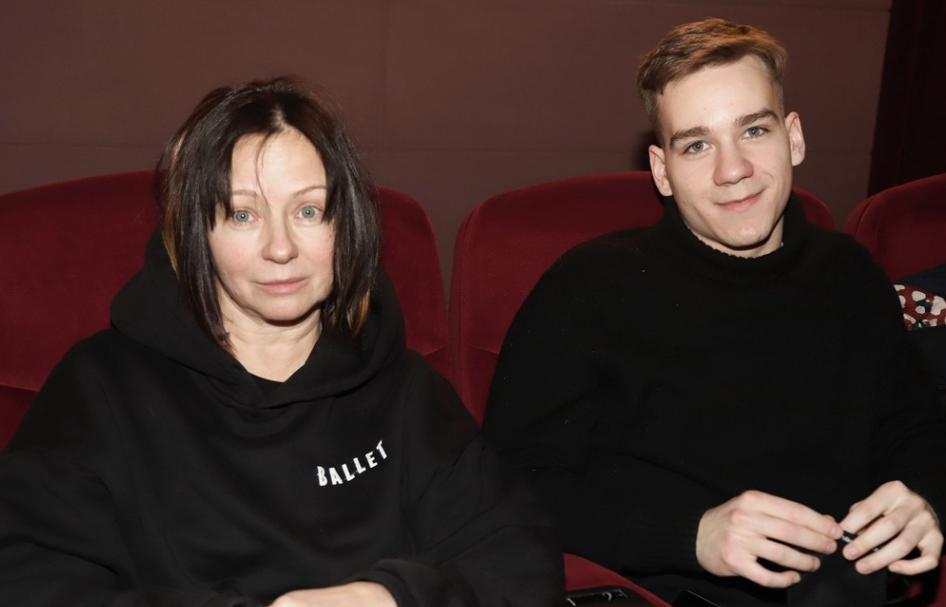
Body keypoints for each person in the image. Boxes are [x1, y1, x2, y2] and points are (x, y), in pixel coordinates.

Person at [0, 78, 561, 606]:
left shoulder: (404, 390)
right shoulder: (102, 388)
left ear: (347, 225)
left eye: (309, 211)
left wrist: (387, 596)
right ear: (195, 233)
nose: (280, 247)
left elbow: (518, 558)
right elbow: (28, 577)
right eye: (243, 214)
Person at [484, 18, 945, 607]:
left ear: (794, 138)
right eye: (697, 145)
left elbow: (916, 428)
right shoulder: (589, 288)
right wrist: (693, 535)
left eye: (754, 130)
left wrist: (924, 498)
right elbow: (508, 483)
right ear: (662, 170)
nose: (733, 170)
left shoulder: (851, 274)